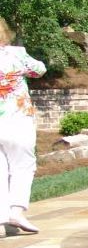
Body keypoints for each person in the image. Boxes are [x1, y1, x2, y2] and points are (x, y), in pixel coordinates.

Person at [0, 16, 46, 234]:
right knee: (23, 165)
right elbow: (40, 69)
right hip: (17, 120)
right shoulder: (16, 54)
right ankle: (16, 211)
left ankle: (1, 218)